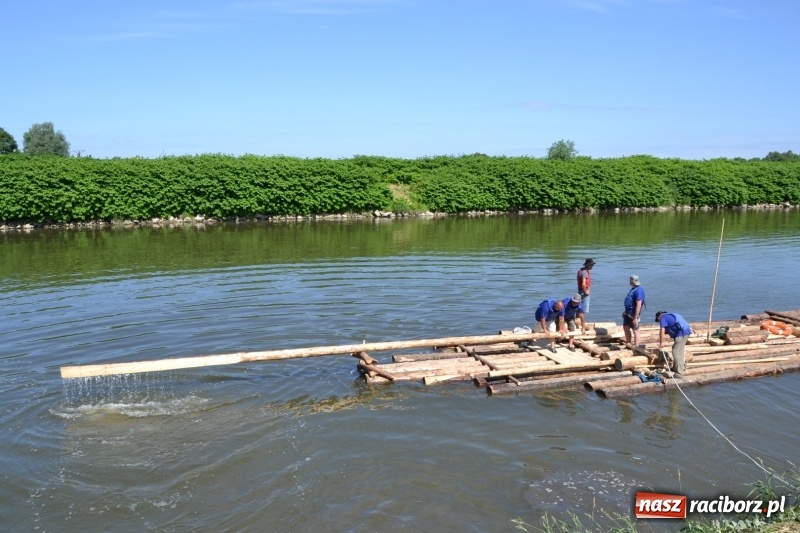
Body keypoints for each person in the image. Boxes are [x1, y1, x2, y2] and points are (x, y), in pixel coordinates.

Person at [655, 311, 692, 379]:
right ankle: (677, 367)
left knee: (676, 352)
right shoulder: (672, 315)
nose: (659, 322)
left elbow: (662, 331)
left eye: (658, 320)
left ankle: (679, 373)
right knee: (680, 351)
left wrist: (661, 343)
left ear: (659, 317)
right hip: (687, 332)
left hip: (681, 334)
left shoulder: (663, 318)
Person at [622, 275, 645, 347]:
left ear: (632, 281)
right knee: (626, 327)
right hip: (627, 312)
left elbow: (639, 305)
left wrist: (635, 317)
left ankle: (636, 346)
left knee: (635, 329)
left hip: (633, 314)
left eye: (630, 280)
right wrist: (625, 312)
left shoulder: (639, 290)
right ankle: (628, 343)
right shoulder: (633, 289)